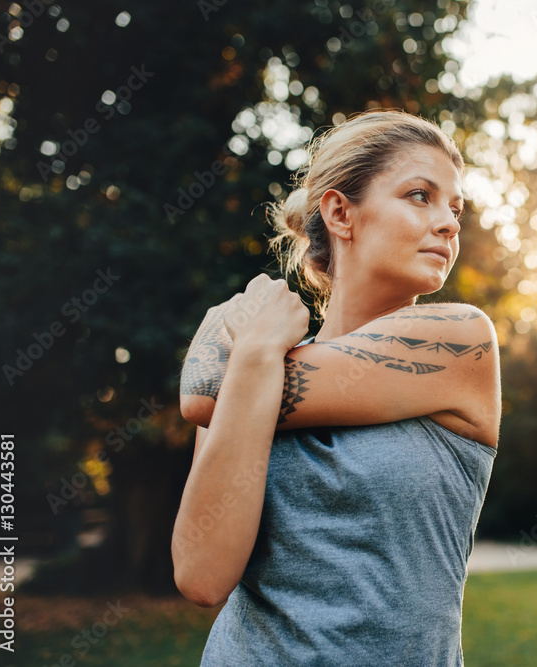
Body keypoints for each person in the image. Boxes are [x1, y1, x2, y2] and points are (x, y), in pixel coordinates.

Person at [171, 109, 501, 666]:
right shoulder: (258, 361)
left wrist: (247, 349)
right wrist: (256, 354)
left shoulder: (460, 342)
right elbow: (202, 577)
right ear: (341, 213)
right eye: (420, 195)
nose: (448, 222)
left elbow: (201, 392)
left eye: (455, 207)